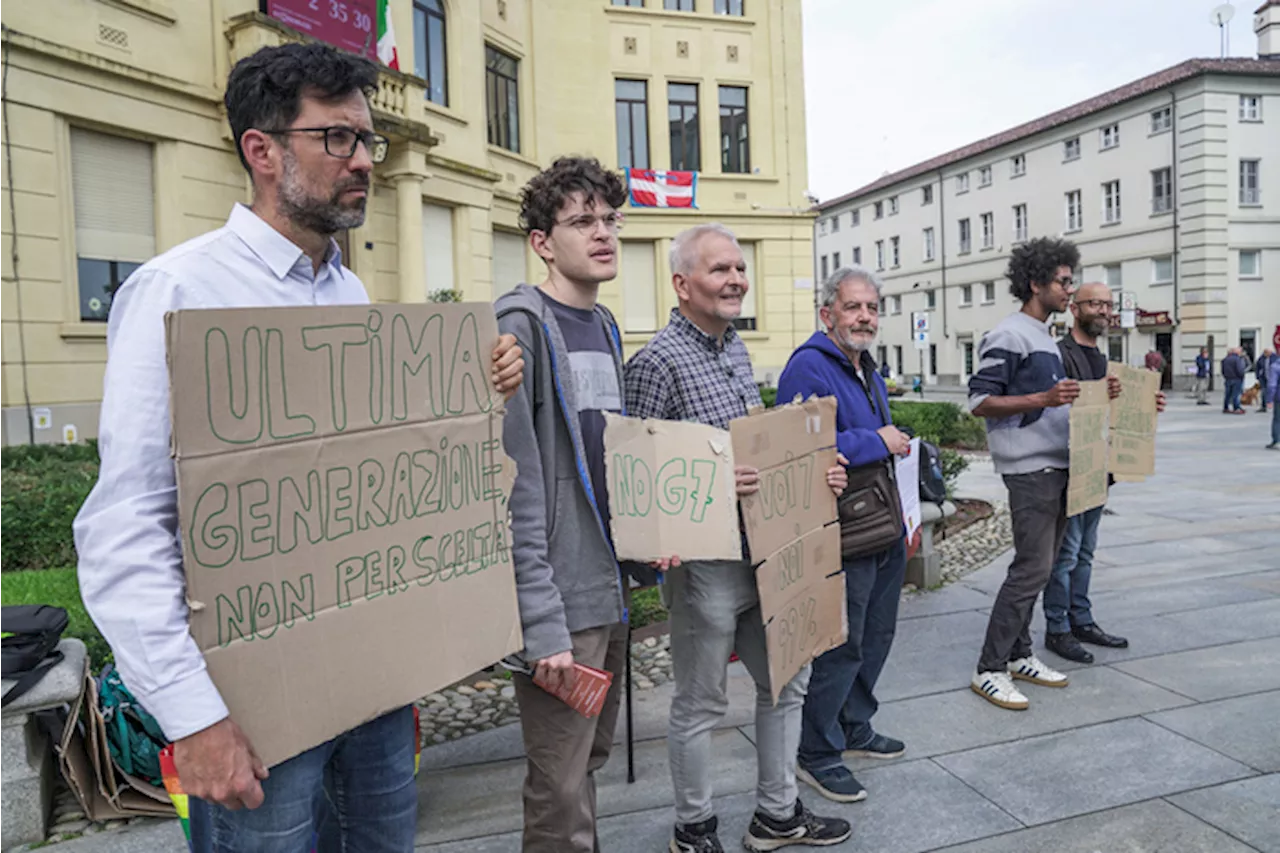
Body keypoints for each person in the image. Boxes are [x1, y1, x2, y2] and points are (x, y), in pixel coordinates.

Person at [72, 43, 525, 851]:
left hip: (372, 685)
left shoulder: (347, 291)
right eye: (339, 139)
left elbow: (377, 476)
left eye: (368, 141)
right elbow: (124, 527)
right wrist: (195, 717)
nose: (363, 162)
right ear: (263, 150)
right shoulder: (178, 293)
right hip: (253, 705)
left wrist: (474, 395)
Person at [625, 223, 852, 852]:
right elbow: (641, 479)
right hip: (706, 565)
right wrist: (710, 483)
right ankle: (693, 830)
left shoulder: (736, 350)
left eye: (739, 269)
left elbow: (757, 447)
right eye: (719, 269)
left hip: (765, 550)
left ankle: (777, 815)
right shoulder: (655, 362)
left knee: (786, 681)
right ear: (681, 282)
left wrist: (816, 469)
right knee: (700, 702)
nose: (735, 280)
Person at [493, 157, 631, 852]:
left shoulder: (604, 323)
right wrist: (540, 622)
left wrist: (644, 540)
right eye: (582, 221)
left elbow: (610, 459)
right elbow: (512, 483)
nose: (603, 233)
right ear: (543, 241)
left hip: (606, 590)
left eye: (610, 219)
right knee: (558, 787)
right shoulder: (517, 325)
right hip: (561, 605)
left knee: (586, 767)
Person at [775, 266, 909, 804]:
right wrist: (878, 439)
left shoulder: (865, 367)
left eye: (872, 308)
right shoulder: (810, 365)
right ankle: (817, 751)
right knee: (841, 642)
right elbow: (797, 444)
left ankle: (855, 723)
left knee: (876, 634)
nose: (864, 317)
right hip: (842, 529)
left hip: (881, 523)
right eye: (854, 307)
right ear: (827, 312)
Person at [967, 237, 1081, 711]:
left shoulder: (1046, 338)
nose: (1069, 289)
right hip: (1030, 470)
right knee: (1029, 569)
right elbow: (979, 400)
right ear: (1035, 283)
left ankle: (1019, 655)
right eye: (1062, 281)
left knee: (1042, 569)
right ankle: (989, 668)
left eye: (1071, 280)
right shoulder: (1009, 335)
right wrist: (1043, 400)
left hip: (1056, 466)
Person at [1044, 283, 1165, 664]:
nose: (1103, 310)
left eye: (1108, 304)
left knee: (1086, 552)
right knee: (1065, 555)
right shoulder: (1058, 354)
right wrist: (1098, 391)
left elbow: (1111, 410)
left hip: (1100, 470)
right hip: (1068, 470)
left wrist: (1145, 402)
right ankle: (1057, 629)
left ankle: (1082, 619)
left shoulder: (1105, 357)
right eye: (1094, 303)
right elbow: (1058, 407)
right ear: (1075, 309)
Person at [1222, 347, 1247, 414]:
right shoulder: (1237, 359)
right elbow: (1239, 370)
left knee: (1227, 394)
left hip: (1228, 379)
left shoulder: (1225, 359)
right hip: (1237, 379)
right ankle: (1236, 408)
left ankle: (1226, 407)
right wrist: (1242, 376)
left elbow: (1223, 370)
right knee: (1236, 394)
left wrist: (1226, 376)